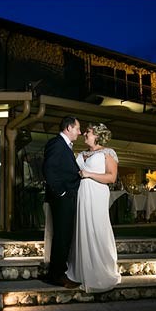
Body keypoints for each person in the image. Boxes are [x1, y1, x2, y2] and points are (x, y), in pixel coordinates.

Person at [66, 123, 121, 293]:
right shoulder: (81, 154)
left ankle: (100, 269)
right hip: (81, 194)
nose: (84, 134)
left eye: (88, 132)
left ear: (97, 135)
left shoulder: (108, 153)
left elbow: (112, 178)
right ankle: (82, 270)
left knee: (97, 228)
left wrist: (89, 174)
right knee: (82, 229)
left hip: (97, 194)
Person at [42, 116, 82, 288]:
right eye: (77, 128)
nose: (79, 132)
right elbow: (48, 169)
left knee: (64, 235)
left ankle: (57, 272)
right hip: (62, 197)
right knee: (62, 236)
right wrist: (62, 192)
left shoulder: (64, 145)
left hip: (66, 197)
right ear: (68, 128)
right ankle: (56, 275)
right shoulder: (57, 143)